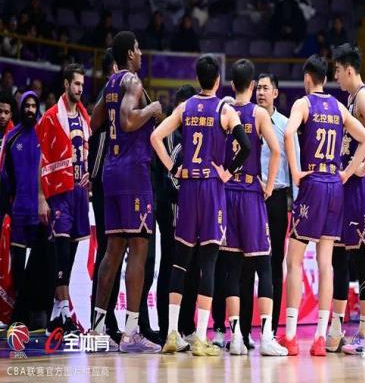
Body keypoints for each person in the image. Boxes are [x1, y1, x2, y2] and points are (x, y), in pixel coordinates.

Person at [150, 54, 251, 356]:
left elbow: (156, 136)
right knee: (208, 263)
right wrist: (227, 170)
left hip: (188, 188)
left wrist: (173, 168)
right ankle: (200, 338)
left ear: (197, 79)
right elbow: (246, 147)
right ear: (218, 81)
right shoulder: (224, 109)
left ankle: (171, 333)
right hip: (210, 187)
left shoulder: (185, 107)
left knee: (180, 262)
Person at [278, 55, 365, 356]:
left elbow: (289, 133)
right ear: (326, 79)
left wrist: (295, 171)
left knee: (293, 260)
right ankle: (321, 337)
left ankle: (291, 335)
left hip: (313, 182)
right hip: (335, 185)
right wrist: (349, 172)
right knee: (326, 263)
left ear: (308, 78)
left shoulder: (303, 104)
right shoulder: (338, 107)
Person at [90, 31, 163, 353]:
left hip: (111, 172)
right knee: (139, 248)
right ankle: (131, 332)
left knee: (113, 250)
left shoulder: (110, 83)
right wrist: (153, 109)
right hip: (134, 173)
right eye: (138, 48)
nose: (141, 52)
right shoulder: (132, 80)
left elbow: (94, 121)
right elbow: (129, 120)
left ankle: (96, 328)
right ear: (130, 54)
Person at [220, 59, 287, 356]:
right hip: (250, 193)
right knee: (264, 265)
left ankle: (236, 337)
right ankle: (267, 336)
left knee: (232, 269)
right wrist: (269, 186)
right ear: (251, 85)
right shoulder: (259, 114)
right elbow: (276, 150)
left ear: (232, 84)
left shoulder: (223, 110)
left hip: (227, 193)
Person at [327, 44, 365, 355]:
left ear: (349, 70)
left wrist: (363, 166)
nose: (335, 76)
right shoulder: (350, 98)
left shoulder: (362, 96)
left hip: (360, 186)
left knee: (361, 258)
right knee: (338, 256)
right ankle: (336, 329)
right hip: (347, 185)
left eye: (337, 70)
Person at [36, 64, 91, 336]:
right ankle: (62, 313)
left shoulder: (83, 117)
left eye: (82, 84)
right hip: (59, 193)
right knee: (61, 251)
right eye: (76, 84)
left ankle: (57, 316)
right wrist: (41, 198)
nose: (80, 89)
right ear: (66, 84)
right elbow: (41, 158)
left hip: (79, 192)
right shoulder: (50, 118)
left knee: (71, 250)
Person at [253, 73, 300, 337]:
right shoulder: (245, 120)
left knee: (275, 260)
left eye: (265, 88)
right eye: (258, 88)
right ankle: (242, 331)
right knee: (247, 260)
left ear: (275, 93)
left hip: (277, 198)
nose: (261, 92)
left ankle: (269, 329)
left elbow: (296, 166)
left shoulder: (285, 125)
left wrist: (298, 203)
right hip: (250, 196)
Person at [154, 84, 200, 345]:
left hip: (191, 211)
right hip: (172, 210)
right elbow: (169, 180)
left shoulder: (194, 130)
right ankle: (166, 329)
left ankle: (187, 327)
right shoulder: (169, 134)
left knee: (192, 269)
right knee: (172, 265)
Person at [0, 91, 48, 326]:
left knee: (39, 265)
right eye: (26, 106)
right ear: (21, 108)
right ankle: (19, 316)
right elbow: (5, 175)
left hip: (41, 213)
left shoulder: (45, 133)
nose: (30, 109)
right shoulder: (11, 138)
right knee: (18, 267)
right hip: (19, 211)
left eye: (33, 106)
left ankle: (38, 312)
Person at [88, 48, 121, 344]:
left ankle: (108, 320)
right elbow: (96, 137)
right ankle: (98, 321)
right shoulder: (107, 95)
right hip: (104, 184)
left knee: (113, 250)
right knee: (107, 252)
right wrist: (95, 176)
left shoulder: (116, 94)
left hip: (114, 183)